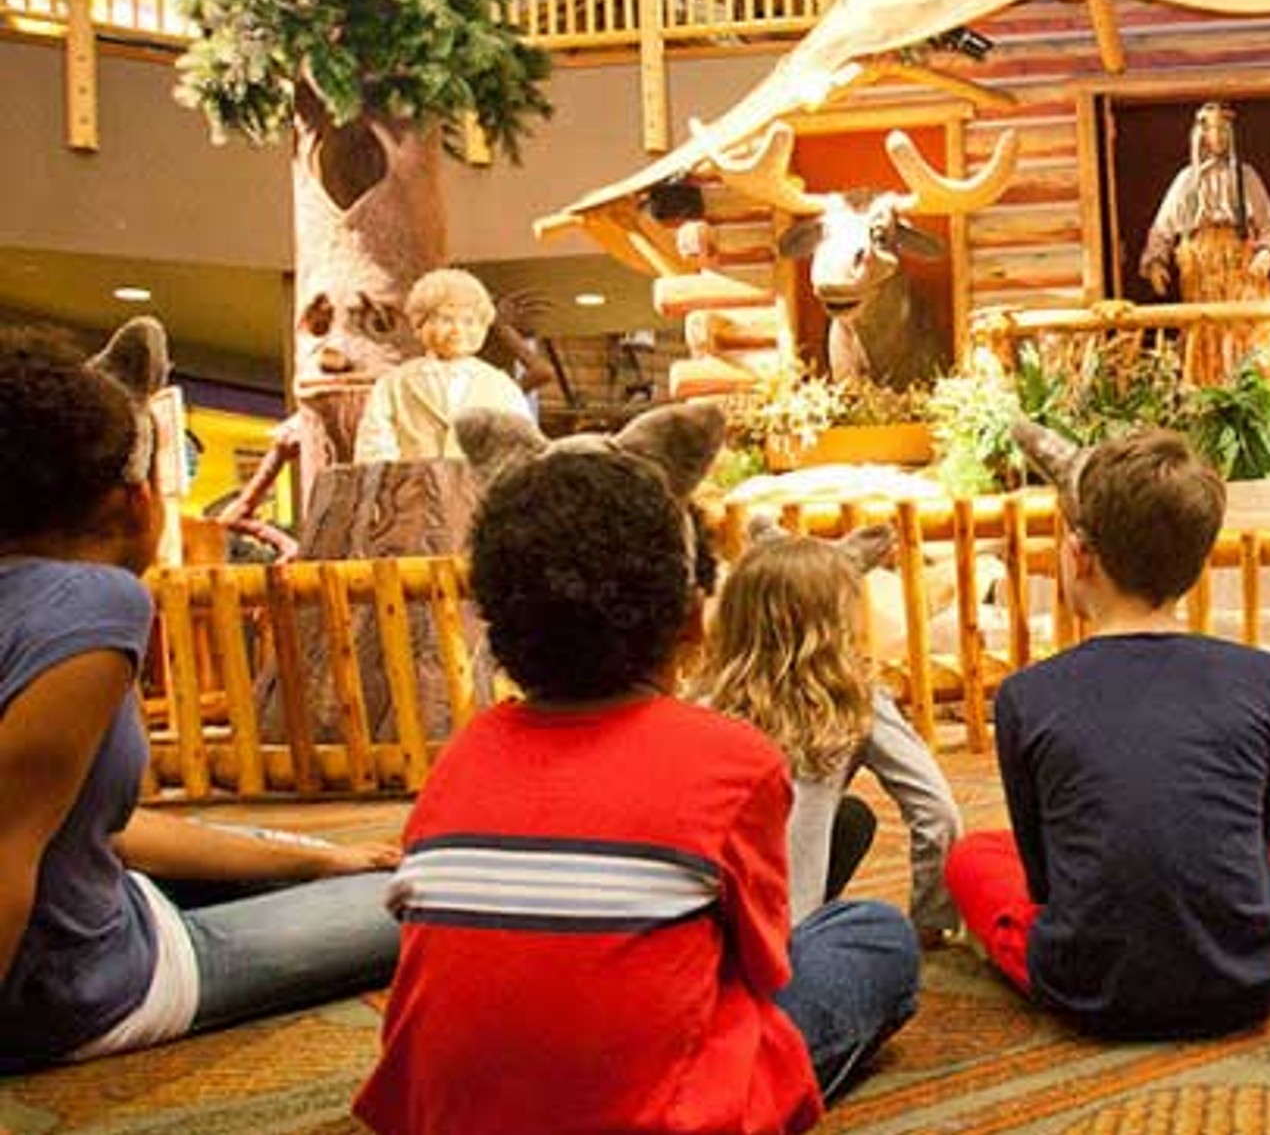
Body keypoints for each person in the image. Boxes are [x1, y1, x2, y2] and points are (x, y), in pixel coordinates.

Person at [353, 447, 919, 1134]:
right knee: (875, 937)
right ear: (690, 618)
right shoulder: (732, 759)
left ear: (498, 622)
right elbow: (764, 969)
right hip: (662, 1116)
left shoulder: (461, 758)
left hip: (438, 1116)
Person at [0, 328, 398, 1073]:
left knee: (339, 864)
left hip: (97, 911)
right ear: (134, 495)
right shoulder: (94, 604)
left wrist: (318, 862)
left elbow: (101, 829)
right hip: (74, 991)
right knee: (435, 899)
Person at [944, 426, 1270, 1038]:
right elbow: (1255, 836)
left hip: (1087, 987)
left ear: (1078, 554)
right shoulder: (1268, 678)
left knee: (970, 856)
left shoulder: (1025, 695)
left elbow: (1043, 880)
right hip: (1248, 976)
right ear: (1200, 564)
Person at [692, 528, 965, 943]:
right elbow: (939, 814)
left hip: (699, 944)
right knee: (882, 932)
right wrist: (930, 920)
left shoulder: (698, 705)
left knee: (851, 818)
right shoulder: (856, 700)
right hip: (785, 954)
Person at [1138, 101, 1270, 386]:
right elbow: (1162, 226)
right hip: (1201, 269)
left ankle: (1252, 394)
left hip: (1240, 267)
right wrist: (1156, 261)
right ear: (1200, 135)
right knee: (1206, 334)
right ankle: (1209, 394)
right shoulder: (1186, 181)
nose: (1217, 136)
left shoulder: (1246, 176)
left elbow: (1268, 223)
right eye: (1211, 130)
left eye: (1223, 130)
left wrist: (1266, 252)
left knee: (1245, 331)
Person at [352, 269, 533, 464]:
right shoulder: (393, 384)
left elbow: (521, 448)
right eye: (447, 319)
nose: (458, 330)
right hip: (412, 489)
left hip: (480, 491)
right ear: (420, 325)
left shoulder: (501, 386)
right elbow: (374, 445)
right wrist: (392, 485)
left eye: (469, 321)